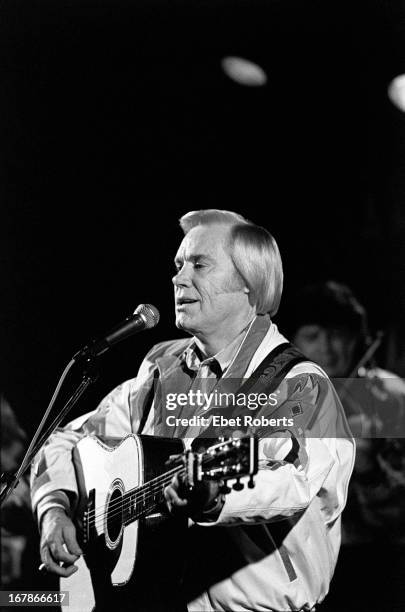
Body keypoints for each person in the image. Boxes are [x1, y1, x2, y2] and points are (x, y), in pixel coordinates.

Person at [30, 211, 355, 612]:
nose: (178, 278)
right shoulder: (159, 370)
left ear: (250, 284)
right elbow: (66, 439)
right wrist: (55, 508)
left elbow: (291, 478)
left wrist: (213, 497)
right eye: (178, 265)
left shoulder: (299, 383)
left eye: (199, 264)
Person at [286, 281, 405, 611]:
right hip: (298, 566)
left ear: (356, 338)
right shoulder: (280, 399)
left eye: (337, 334)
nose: (327, 349)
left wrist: (370, 472)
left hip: (374, 564)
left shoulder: (392, 398)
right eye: (312, 336)